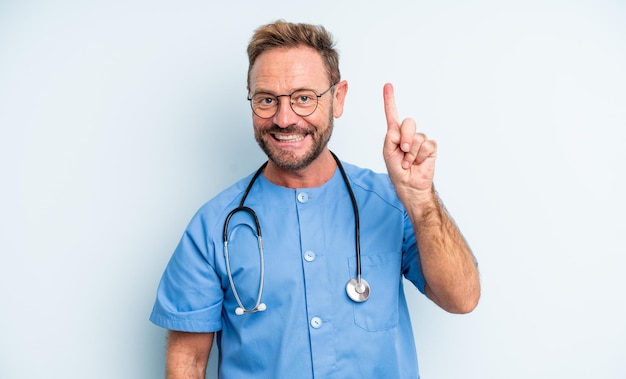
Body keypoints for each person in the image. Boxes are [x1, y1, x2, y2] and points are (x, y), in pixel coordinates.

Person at [150, 20, 480, 378]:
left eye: (303, 98)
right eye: (266, 100)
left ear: (337, 99)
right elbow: (189, 362)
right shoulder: (213, 227)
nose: (284, 118)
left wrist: (420, 199)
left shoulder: (392, 203)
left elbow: (461, 299)